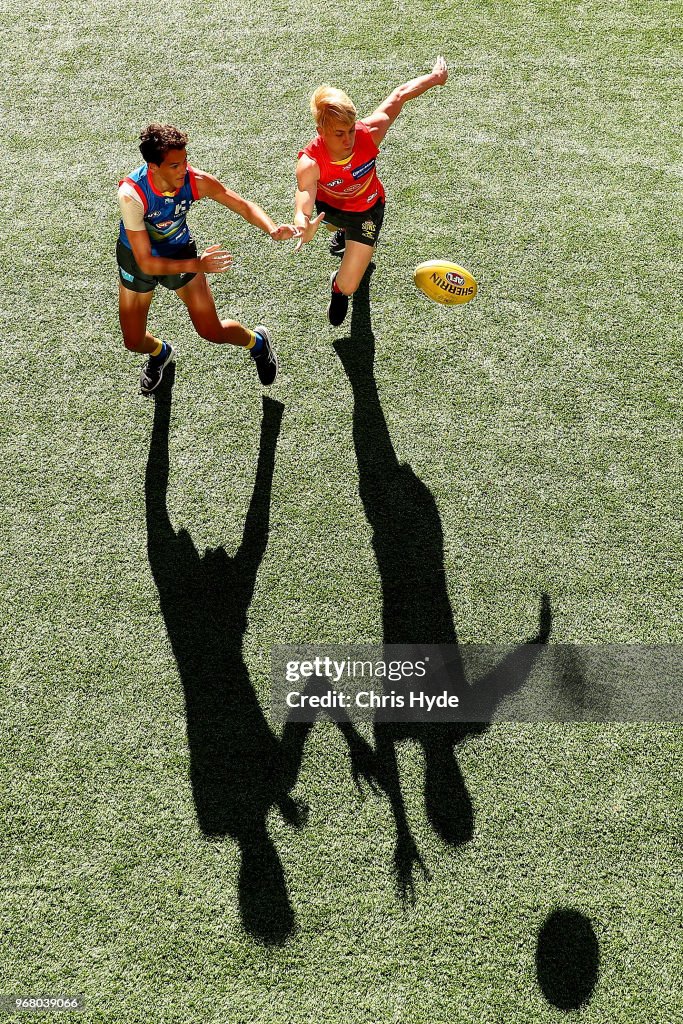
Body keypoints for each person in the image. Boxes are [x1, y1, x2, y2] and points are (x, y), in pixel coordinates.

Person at [117, 123, 300, 393]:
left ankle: (258, 343)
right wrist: (199, 265)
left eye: (185, 161)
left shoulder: (195, 180)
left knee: (211, 332)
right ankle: (160, 352)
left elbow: (240, 204)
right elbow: (146, 262)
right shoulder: (132, 194)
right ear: (153, 167)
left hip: (179, 252)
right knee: (133, 342)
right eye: (174, 166)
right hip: (138, 258)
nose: (184, 170)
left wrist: (272, 228)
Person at [293, 57, 448, 327]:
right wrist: (302, 223)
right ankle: (340, 233)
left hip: (367, 210)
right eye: (339, 133)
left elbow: (399, 96)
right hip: (330, 209)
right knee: (329, 226)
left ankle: (338, 288)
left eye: (351, 130)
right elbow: (304, 196)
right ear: (321, 132)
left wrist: (435, 78)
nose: (348, 140)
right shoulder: (311, 162)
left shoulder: (369, 133)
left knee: (351, 284)